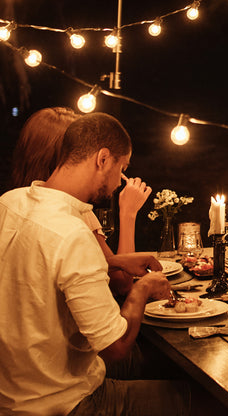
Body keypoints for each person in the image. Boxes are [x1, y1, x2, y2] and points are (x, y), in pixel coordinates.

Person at [0, 112, 191, 415]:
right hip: (66, 403)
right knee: (207, 400)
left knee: (174, 367)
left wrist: (114, 261)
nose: (119, 182)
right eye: (122, 168)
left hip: (13, 393)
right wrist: (143, 289)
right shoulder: (71, 232)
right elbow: (114, 348)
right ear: (102, 159)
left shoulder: (10, 202)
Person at [11, 107, 153, 295]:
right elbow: (120, 284)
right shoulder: (73, 216)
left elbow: (46, 270)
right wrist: (128, 213)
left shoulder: (13, 201)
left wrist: (113, 262)